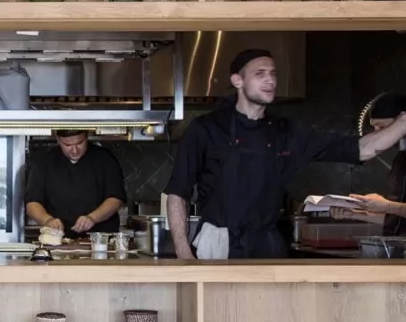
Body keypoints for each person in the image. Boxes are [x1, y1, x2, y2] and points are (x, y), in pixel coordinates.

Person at [164, 49, 406, 259]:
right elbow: (177, 193)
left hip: (267, 246)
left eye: (273, 73)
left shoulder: (287, 132)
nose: (270, 79)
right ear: (237, 80)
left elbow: (363, 149)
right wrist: (183, 252)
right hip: (218, 243)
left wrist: (403, 123)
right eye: (260, 74)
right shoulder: (206, 128)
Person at [24, 130, 127, 240]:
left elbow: (116, 199)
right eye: (67, 145)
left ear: (86, 137)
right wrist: (48, 220)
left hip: (100, 241)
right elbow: (32, 203)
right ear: (58, 140)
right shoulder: (44, 162)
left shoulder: (105, 159)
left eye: (80, 143)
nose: (75, 150)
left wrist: (92, 218)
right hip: (59, 240)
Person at [329, 93, 406, 234]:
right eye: (374, 127)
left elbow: (393, 209)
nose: (376, 133)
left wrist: (387, 206)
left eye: (381, 127)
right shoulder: (400, 159)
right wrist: (353, 214)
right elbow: (396, 221)